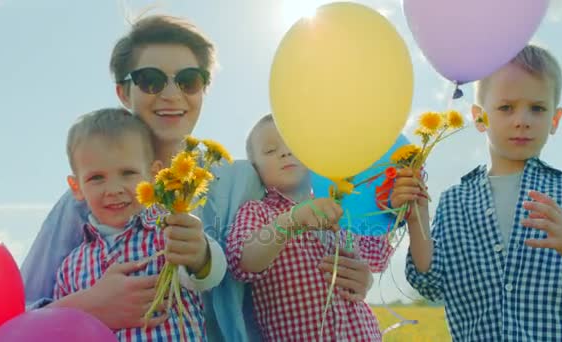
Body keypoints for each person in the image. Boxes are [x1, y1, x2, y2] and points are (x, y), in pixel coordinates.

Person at [21, 14, 376, 341]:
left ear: (204, 89)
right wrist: (89, 306)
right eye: (150, 81)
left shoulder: (242, 179)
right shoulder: (84, 202)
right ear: (123, 92)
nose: (172, 95)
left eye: (189, 80)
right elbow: (20, 314)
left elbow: (293, 232)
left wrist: (353, 271)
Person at [395, 45, 562, 340]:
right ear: (480, 118)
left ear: (554, 120)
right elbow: (431, 282)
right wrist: (418, 218)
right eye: (506, 107)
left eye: (538, 108)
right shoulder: (456, 202)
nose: (522, 120)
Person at [56, 108, 221, 340]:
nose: (113, 189)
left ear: (153, 175)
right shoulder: (70, 267)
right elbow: (59, 328)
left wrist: (200, 254)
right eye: (96, 178)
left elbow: (210, 275)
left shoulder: (167, 228)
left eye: (127, 173)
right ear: (77, 187)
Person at [226, 114, 394, 340]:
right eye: (270, 151)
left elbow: (377, 257)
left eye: (294, 145)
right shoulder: (258, 211)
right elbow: (243, 261)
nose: (285, 152)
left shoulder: (339, 207)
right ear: (256, 169)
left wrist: (388, 208)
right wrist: (292, 221)